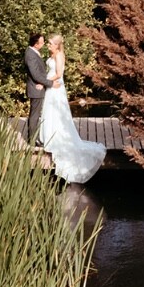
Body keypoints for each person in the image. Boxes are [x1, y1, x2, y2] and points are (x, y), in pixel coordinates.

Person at [40, 33, 106, 183]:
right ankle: (48, 136)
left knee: (56, 113)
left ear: (57, 45)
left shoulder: (59, 56)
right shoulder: (51, 55)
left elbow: (58, 74)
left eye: (50, 43)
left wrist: (43, 81)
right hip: (51, 87)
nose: (48, 45)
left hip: (56, 88)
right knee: (48, 112)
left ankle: (57, 138)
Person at [24, 32, 59, 146]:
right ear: (35, 44)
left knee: (36, 114)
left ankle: (35, 137)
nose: (44, 44)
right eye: (42, 42)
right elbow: (35, 75)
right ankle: (32, 140)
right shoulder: (30, 54)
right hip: (36, 88)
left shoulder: (34, 52)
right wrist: (49, 83)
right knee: (34, 115)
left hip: (39, 86)